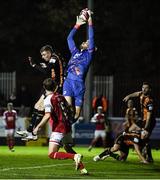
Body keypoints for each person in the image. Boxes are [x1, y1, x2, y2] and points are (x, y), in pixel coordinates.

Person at [33, 78, 88, 175]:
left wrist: (38, 127)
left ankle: (75, 157)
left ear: (44, 88)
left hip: (58, 128)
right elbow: (69, 107)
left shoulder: (48, 99)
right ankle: (83, 169)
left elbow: (47, 115)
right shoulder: (61, 96)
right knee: (68, 148)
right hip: (67, 126)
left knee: (51, 154)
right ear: (55, 87)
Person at [17, 45, 63, 140]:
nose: (43, 57)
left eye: (44, 54)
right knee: (37, 106)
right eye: (42, 55)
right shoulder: (53, 59)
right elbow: (49, 70)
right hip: (50, 85)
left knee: (41, 107)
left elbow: (46, 71)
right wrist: (44, 66)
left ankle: (34, 133)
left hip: (56, 87)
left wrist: (34, 65)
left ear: (49, 53)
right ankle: (30, 131)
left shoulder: (54, 58)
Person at [63, 9, 94, 123]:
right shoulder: (75, 52)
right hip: (68, 81)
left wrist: (90, 21)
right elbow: (69, 38)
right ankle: (64, 129)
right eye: (85, 41)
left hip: (78, 84)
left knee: (75, 114)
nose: (86, 41)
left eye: (87, 42)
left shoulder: (89, 55)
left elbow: (91, 37)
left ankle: (70, 125)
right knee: (66, 109)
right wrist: (77, 25)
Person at [123, 82, 156, 162]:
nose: (144, 89)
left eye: (146, 88)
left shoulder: (150, 101)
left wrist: (145, 128)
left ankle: (147, 156)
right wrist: (128, 96)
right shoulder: (141, 94)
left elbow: (149, 117)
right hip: (143, 120)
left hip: (149, 121)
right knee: (129, 130)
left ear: (150, 90)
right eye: (143, 87)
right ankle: (134, 148)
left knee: (144, 137)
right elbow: (136, 94)